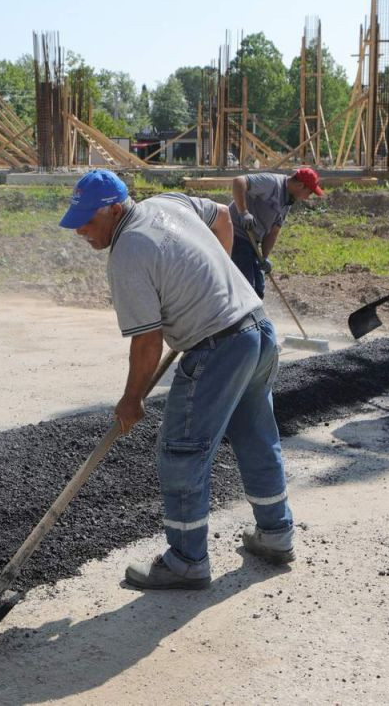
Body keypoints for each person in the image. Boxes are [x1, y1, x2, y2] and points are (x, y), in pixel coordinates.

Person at [60, 169, 295, 590]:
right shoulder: (167, 203)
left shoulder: (128, 252)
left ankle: (187, 560)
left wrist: (132, 399)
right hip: (257, 329)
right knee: (256, 434)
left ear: (114, 210)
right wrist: (217, 280)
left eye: (88, 221)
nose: (80, 231)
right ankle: (276, 534)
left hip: (219, 346)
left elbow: (147, 341)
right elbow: (223, 215)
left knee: (182, 451)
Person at [229, 168, 324, 298]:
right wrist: (243, 213)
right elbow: (238, 182)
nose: (308, 197)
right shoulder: (272, 183)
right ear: (300, 185)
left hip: (252, 242)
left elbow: (274, 231)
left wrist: (264, 258)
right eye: (309, 192)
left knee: (258, 289)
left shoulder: (288, 201)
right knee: (247, 287)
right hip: (235, 233)